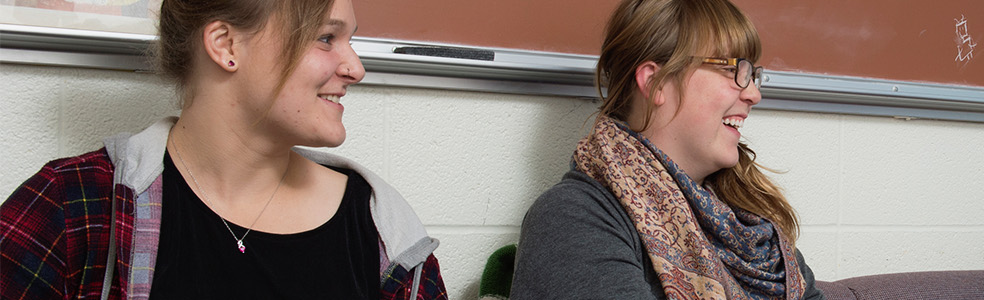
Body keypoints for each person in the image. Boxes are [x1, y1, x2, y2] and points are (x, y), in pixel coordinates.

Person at [0, 0, 447, 298]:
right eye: (326, 38)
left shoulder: (383, 231)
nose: (356, 68)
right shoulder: (74, 207)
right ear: (226, 45)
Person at [510, 0, 824, 298]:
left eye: (753, 75)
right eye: (733, 70)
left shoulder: (750, 225)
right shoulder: (575, 218)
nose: (753, 93)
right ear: (657, 82)